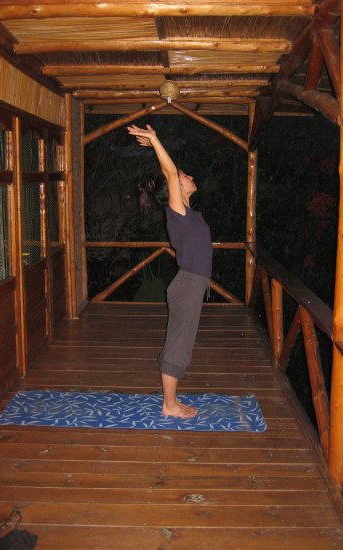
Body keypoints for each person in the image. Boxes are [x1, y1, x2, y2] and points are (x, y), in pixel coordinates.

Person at [127, 124, 213, 418]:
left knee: (181, 341)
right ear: (176, 187)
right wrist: (155, 140)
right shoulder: (177, 213)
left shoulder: (187, 214)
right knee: (179, 344)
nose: (188, 176)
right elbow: (170, 172)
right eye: (184, 176)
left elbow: (172, 174)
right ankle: (170, 404)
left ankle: (171, 400)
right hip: (188, 284)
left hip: (191, 284)